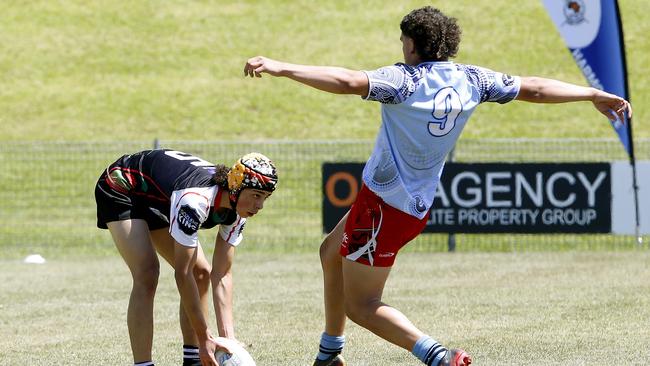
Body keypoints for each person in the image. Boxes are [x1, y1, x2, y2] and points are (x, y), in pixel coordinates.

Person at [243, 6, 632, 366]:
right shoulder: (471, 79)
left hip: (384, 207)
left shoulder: (403, 80)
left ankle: (439, 357)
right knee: (330, 251)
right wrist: (592, 93)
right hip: (405, 203)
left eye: (402, 42)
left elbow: (346, 80)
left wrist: (281, 67)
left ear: (411, 44)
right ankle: (330, 352)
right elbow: (532, 87)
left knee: (361, 306)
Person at [95, 149, 278, 366]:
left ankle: (193, 361)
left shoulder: (238, 210)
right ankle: (144, 364)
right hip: (123, 184)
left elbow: (222, 274)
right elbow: (182, 274)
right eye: (256, 196)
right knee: (147, 273)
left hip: (157, 194)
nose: (260, 206)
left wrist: (229, 340)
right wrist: (204, 337)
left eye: (264, 198)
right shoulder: (195, 201)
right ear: (236, 187)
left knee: (201, 272)